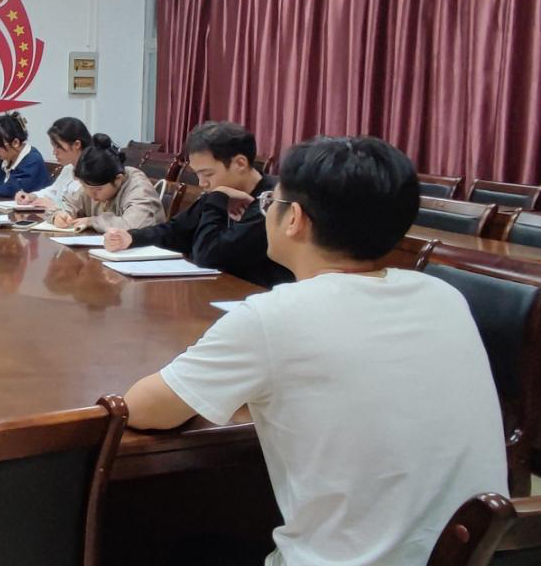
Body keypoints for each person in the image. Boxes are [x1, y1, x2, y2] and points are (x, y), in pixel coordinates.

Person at [123, 136, 507, 566]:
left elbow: (144, 409)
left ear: (294, 219)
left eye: (270, 201)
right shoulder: (444, 296)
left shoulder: (274, 317)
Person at [104, 121, 292, 287]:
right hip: (218, 288)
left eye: (208, 174)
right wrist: (132, 237)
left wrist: (218, 197)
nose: (202, 183)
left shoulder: (271, 201)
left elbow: (209, 256)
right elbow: (178, 230)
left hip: (254, 294)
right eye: (198, 174)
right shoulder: (221, 192)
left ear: (240, 163)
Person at [51, 134, 163, 232]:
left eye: (98, 190)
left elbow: (134, 225)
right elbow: (68, 203)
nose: (91, 195)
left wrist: (92, 221)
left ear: (118, 179)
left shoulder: (138, 188)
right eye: (84, 186)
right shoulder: (92, 183)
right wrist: (59, 214)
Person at [15, 116, 91, 210]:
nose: (54, 152)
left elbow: (80, 208)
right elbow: (53, 191)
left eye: (58, 146)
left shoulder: (92, 172)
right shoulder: (69, 167)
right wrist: (32, 196)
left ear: (77, 144)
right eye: (53, 146)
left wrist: (54, 206)